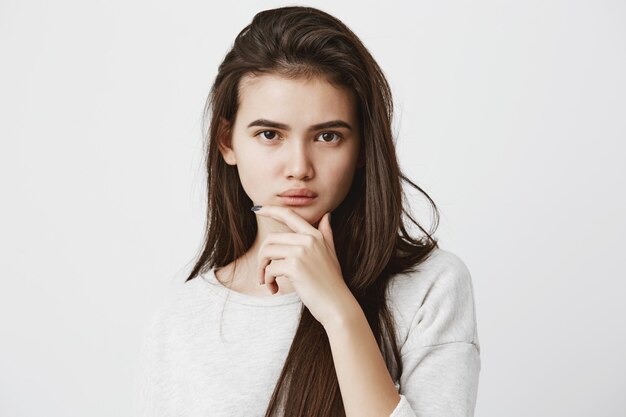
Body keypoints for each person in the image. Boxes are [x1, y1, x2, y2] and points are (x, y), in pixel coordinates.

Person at [134, 5, 481, 417]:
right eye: (269, 134)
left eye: (328, 136)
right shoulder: (181, 319)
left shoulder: (429, 287)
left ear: (362, 148)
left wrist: (338, 310)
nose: (299, 166)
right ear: (227, 142)